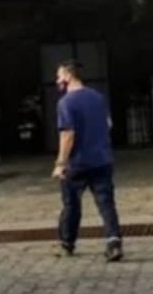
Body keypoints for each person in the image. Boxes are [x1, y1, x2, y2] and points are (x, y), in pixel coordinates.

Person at [51, 60, 124, 262]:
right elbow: (108, 124)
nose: (57, 81)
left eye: (59, 76)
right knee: (106, 203)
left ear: (67, 76)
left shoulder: (65, 103)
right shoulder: (98, 98)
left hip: (77, 163)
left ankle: (67, 243)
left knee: (71, 205)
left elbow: (68, 135)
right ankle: (114, 241)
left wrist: (60, 164)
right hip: (102, 159)